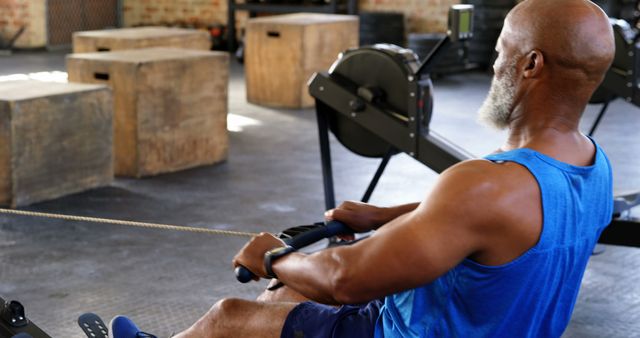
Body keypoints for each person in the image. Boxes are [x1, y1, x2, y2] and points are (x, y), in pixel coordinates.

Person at [111, 0, 616, 337]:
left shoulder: (484, 184)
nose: (493, 63)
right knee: (288, 292)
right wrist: (383, 216)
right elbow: (505, 221)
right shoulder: (593, 164)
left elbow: (345, 280)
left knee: (231, 315)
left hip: (401, 331)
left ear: (531, 65)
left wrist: (271, 257)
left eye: (501, 49)